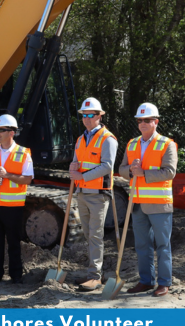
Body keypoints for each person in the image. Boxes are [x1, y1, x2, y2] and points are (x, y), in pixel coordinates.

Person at [119, 103, 177, 297]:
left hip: (159, 204)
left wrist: (143, 173)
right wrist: (129, 170)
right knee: (142, 245)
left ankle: (164, 282)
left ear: (155, 122)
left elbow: (170, 172)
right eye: (140, 120)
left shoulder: (167, 144)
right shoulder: (132, 143)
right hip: (136, 204)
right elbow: (121, 169)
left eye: (147, 120)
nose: (143, 123)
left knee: (162, 245)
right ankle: (146, 281)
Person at [69, 98, 118, 291]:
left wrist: (81, 176)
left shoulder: (108, 139)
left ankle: (95, 277)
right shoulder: (81, 139)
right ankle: (93, 273)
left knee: (95, 235)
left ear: (99, 116)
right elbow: (76, 163)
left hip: (98, 194)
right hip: (82, 193)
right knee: (89, 235)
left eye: (91, 115)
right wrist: (73, 170)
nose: (87, 119)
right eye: (84, 115)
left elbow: (107, 166)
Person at [0, 114, 33, 284]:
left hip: (14, 206)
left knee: (13, 241)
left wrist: (7, 175)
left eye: (1, 130)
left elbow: (27, 179)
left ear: (12, 132)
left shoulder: (23, 153)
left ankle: (16, 274)